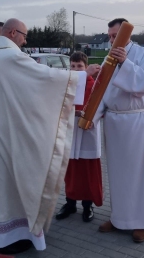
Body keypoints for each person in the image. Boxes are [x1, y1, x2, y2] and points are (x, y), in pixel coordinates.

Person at [0, 18, 93, 255]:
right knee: (9, 184)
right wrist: (81, 75)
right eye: (25, 36)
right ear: (14, 32)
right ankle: (10, 238)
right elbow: (44, 78)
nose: (26, 41)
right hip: (7, 134)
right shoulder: (10, 57)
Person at [92, 18, 144, 243]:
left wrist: (126, 64)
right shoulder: (108, 58)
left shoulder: (142, 55)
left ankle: (142, 221)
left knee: (139, 174)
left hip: (136, 121)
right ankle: (119, 218)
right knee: (118, 174)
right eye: (110, 36)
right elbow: (103, 90)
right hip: (114, 122)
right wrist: (92, 117)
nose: (112, 40)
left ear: (127, 36)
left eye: (116, 35)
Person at [56, 52, 102, 222]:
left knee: (87, 169)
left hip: (88, 131)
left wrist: (92, 118)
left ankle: (87, 204)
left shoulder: (94, 84)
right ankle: (70, 202)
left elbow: (100, 106)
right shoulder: (66, 84)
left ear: (86, 67)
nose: (75, 70)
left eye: (79, 66)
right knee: (70, 168)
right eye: (73, 66)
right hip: (70, 130)